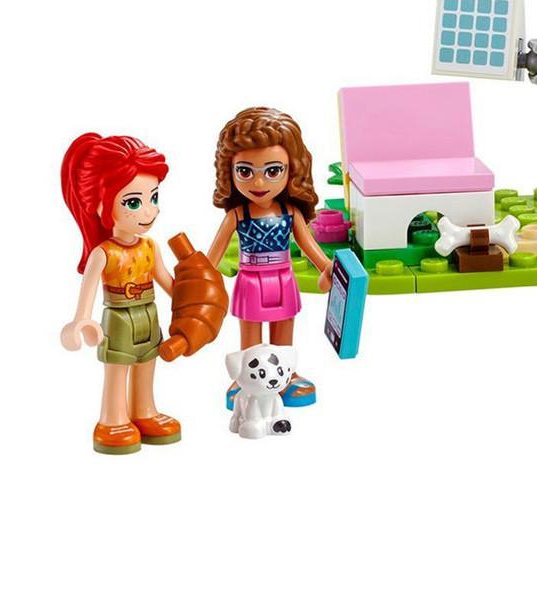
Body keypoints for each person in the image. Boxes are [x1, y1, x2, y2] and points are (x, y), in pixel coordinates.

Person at [59, 133, 227, 456]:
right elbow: (88, 293)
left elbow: (170, 286)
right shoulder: (103, 253)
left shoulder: (150, 247)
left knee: (147, 363)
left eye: (154, 197)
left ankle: (144, 411)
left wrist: (200, 299)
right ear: (100, 206)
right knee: (117, 369)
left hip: (149, 315)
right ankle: (112, 419)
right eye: (133, 203)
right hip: (119, 318)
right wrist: (81, 320)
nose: (148, 211)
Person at [202, 108, 335, 412]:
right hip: (250, 279)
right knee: (250, 330)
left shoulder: (290, 212)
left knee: (283, 327)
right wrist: (200, 280)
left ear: (292, 171)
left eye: (273, 171)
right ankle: (247, 378)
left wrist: (327, 268)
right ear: (229, 171)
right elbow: (213, 257)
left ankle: (285, 375)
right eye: (245, 171)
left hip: (283, 277)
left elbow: (309, 245)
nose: (259, 181)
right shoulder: (237, 215)